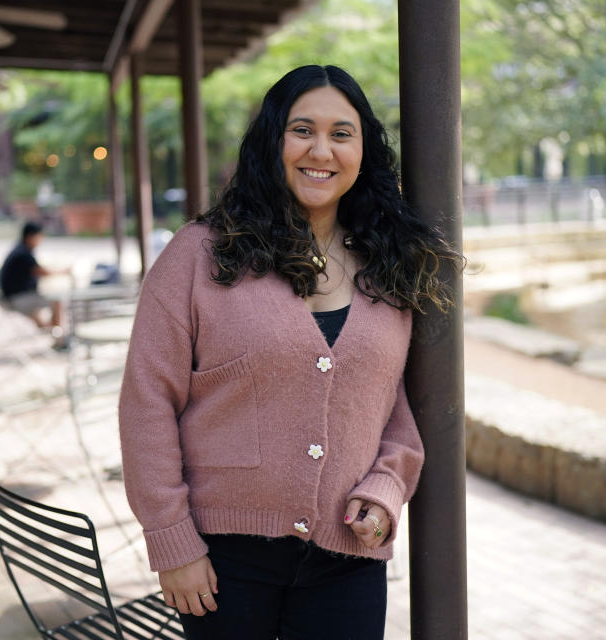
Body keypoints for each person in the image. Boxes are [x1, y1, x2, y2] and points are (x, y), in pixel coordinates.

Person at [118, 65, 461, 640]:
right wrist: (170, 541)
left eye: (341, 133)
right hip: (224, 560)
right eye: (302, 130)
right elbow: (147, 401)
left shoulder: (387, 266)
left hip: (348, 560)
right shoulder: (199, 255)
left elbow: (391, 404)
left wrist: (386, 487)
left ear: (362, 150)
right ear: (272, 141)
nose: (320, 150)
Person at [0, 221, 69, 341]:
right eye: (40, 237)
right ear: (31, 236)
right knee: (56, 300)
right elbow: (42, 272)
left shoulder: (20, 249)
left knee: (38, 313)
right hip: (15, 299)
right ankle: (58, 339)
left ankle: (51, 333)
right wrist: (64, 271)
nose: (41, 240)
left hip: (10, 297)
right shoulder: (23, 253)